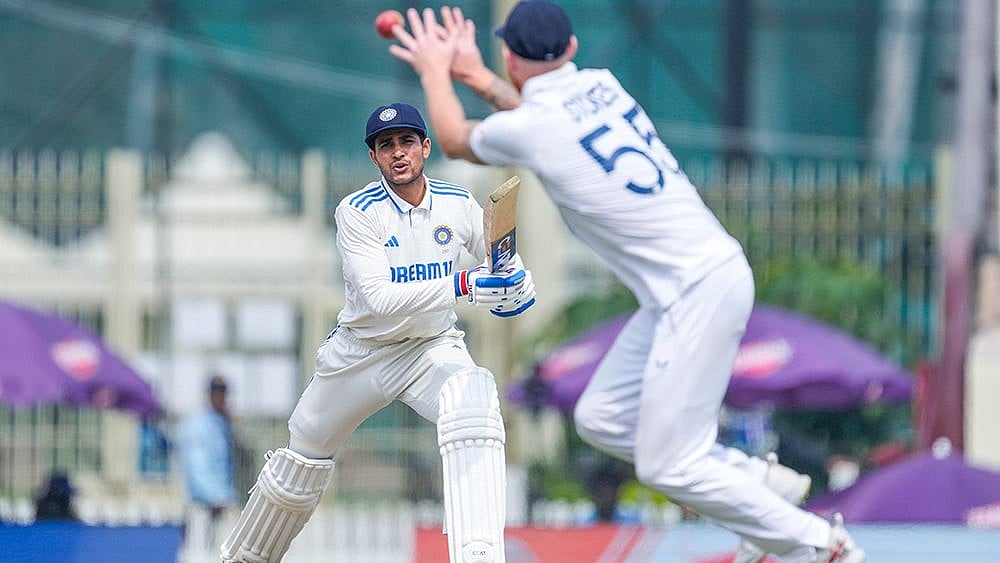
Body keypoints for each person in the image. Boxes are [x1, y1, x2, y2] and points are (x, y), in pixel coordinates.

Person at [388, 2, 866, 562]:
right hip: (693, 284)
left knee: (670, 464)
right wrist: (477, 76)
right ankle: (756, 480)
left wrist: (433, 68)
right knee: (602, 417)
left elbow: (450, 138)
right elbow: (534, 122)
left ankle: (820, 543)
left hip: (695, 290)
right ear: (570, 49)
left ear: (512, 56)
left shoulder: (535, 125)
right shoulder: (601, 85)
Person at [219, 102, 536, 563]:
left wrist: (516, 283)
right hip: (361, 354)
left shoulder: (458, 203)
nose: (398, 153)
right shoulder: (357, 212)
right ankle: (243, 558)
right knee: (302, 456)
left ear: (425, 147)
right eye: (386, 145)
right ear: (375, 158)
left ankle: (480, 554)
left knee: (475, 402)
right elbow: (378, 301)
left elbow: (500, 261)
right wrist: (466, 283)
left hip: (430, 349)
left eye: (407, 141)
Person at [177, 374, 237, 551]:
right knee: (200, 553)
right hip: (203, 505)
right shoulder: (198, 425)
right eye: (217, 393)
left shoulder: (220, 423)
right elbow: (196, 467)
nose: (221, 398)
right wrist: (215, 498)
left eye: (223, 393)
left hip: (220, 503)